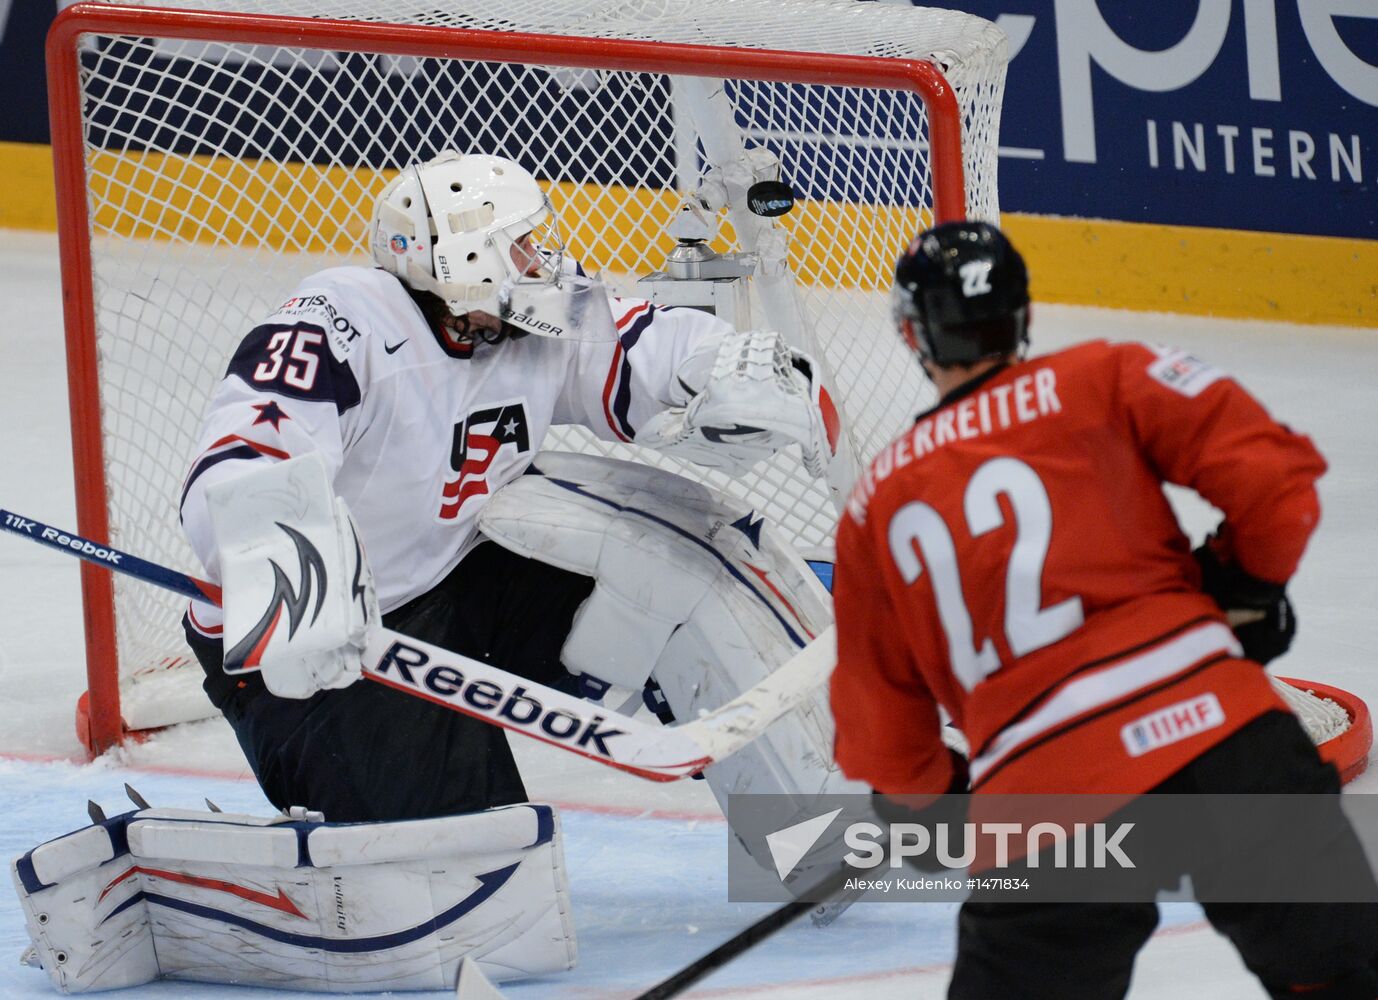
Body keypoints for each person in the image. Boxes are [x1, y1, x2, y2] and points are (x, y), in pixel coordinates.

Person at [177, 150, 836, 823]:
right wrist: (299, 579)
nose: (540, 259)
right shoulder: (344, 323)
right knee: (461, 859)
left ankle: (806, 839)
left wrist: (720, 363)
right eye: (520, 245)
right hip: (302, 644)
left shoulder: (533, 312)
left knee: (680, 582)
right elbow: (240, 460)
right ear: (466, 260)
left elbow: (636, 340)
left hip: (462, 580)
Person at [829, 221, 1378, 998]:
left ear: (912, 334)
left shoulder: (873, 505)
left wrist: (933, 798)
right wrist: (1245, 590)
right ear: (1022, 315)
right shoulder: (1107, 375)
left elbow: (878, 737)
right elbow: (1276, 484)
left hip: (1048, 803)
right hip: (1222, 742)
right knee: (1343, 977)